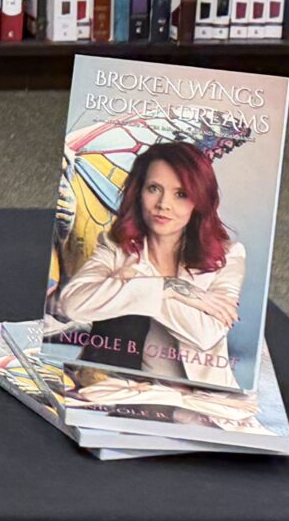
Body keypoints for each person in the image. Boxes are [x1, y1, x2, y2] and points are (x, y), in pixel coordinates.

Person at [46, 139, 247, 385]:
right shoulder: (116, 246)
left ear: (199, 201)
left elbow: (206, 333)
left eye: (181, 194)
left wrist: (135, 287)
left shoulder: (228, 256)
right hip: (120, 389)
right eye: (154, 188)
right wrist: (168, 288)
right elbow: (73, 304)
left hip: (199, 401)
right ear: (138, 192)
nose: (164, 204)